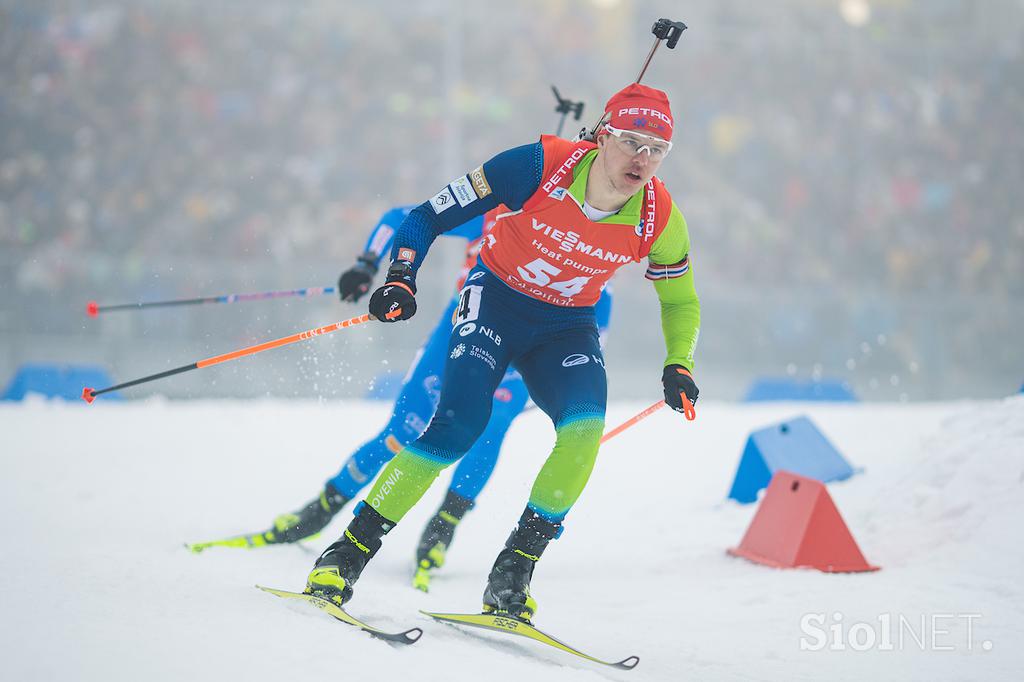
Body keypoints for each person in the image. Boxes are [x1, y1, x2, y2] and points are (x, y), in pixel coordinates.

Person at [307, 83, 700, 621]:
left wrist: (679, 361)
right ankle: (345, 556)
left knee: (585, 432)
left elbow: (680, 300)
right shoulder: (539, 165)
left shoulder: (659, 215)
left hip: (566, 326)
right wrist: (400, 278)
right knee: (457, 427)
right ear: (603, 135)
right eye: (632, 141)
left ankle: (512, 574)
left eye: (658, 149)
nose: (643, 158)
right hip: (495, 303)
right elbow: (424, 216)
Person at [234, 206, 612, 592]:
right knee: (405, 429)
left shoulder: (590, 241)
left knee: (490, 427)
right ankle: (323, 508)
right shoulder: (507, 204)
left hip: (539, 339)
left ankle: (443, 526)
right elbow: (404, 216)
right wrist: (368, 264)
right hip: (468, 326)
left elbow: (599, 321)